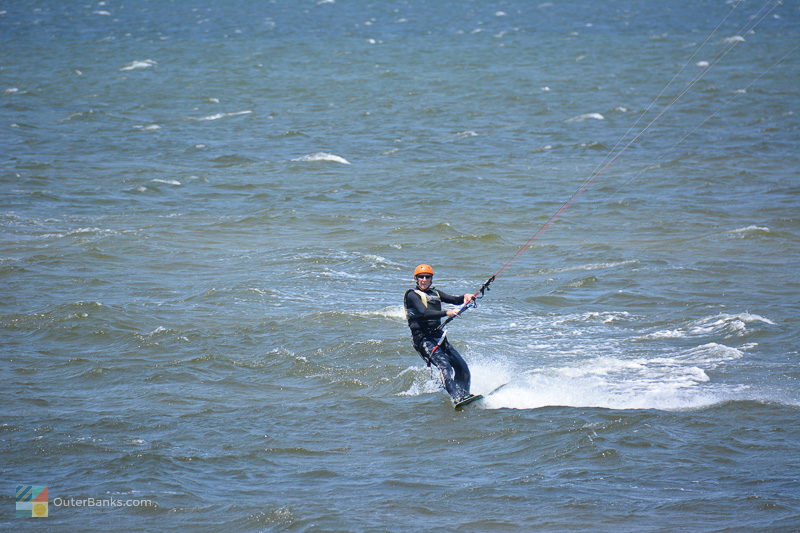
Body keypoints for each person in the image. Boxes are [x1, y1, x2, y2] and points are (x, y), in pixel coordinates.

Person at [403, 264, 475, 404]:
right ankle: (457, 397)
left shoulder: (435, 293)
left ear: (431, 279)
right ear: (416, 279)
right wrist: (446, 312)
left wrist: (466, 296)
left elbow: (454, 299)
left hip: (439, 337)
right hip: (424, 340)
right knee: (445, 367)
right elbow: (424, 312)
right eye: (421, 277)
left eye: (427, 277)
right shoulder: (412, 295)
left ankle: (465, 395)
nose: (424, 279)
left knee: (462, 367)